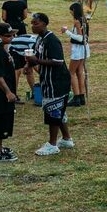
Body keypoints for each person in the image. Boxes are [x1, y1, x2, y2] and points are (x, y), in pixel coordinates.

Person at [25, 13, 74, 156]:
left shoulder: (51, 40)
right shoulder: (39, 39)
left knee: (53, 110)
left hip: (57, 81)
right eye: (32, 23)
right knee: (59, 110)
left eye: (36, 23)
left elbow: (58, 62)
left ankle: (52, 144)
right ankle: (66, 138)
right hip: (47, 79)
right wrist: (29, 64)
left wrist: (37, 61)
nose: (33, 26)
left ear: (45, 24)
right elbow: (36, 55)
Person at [0, 23, 18, 162]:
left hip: (2, 93)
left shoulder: (1, 49)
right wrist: (8, 92)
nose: (12, 37)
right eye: (8, 36)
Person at [62, 3, 89, 107]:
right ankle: (82, 96)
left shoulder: (77, 21)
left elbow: (80, 37)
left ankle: (76, 97)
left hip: (78, 49)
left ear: (74, 10)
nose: (70, 12)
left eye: (71, 10)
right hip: (84, 48)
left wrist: (67, 32)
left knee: (71, 73)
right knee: (79, 72)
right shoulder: (84, 19)